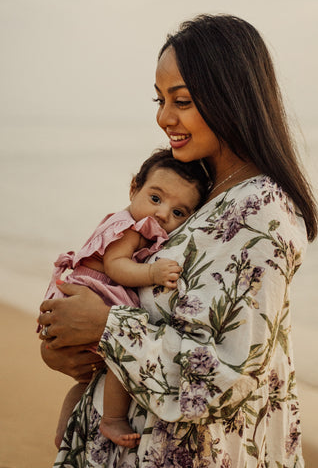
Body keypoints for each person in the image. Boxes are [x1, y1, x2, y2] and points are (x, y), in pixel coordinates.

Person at [38, 14, 318, 468]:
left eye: (181, 100)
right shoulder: (199, 190)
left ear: (231, 97)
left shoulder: (262, 213)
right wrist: (65, 345)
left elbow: (225, 379)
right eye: (160, 99)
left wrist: (106, 327)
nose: (163, 117)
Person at [39, 148, 212, 449]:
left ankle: (64, 431)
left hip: (82, 297)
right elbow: (115, 265)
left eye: (178, 213)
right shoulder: (131, 228)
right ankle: (112, 419)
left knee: (85, 382)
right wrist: (153, 274)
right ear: (134, 188)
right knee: (123, 359)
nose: (162, 214)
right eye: (156, 199)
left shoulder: (134, 220)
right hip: (96, 295)